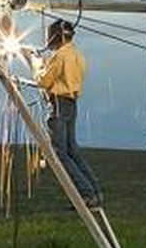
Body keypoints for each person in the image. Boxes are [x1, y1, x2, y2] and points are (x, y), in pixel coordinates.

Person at [29, 19, 103, 208]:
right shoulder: (77, 55)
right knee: (72, 150)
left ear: (56, 37)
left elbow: (44, 81)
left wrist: (36, 65)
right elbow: (62, 75)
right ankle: (95, 191)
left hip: (59, 105)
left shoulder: (59, 56)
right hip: (71, 104)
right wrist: (45, 63)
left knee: (60, 153)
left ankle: (86, 193)